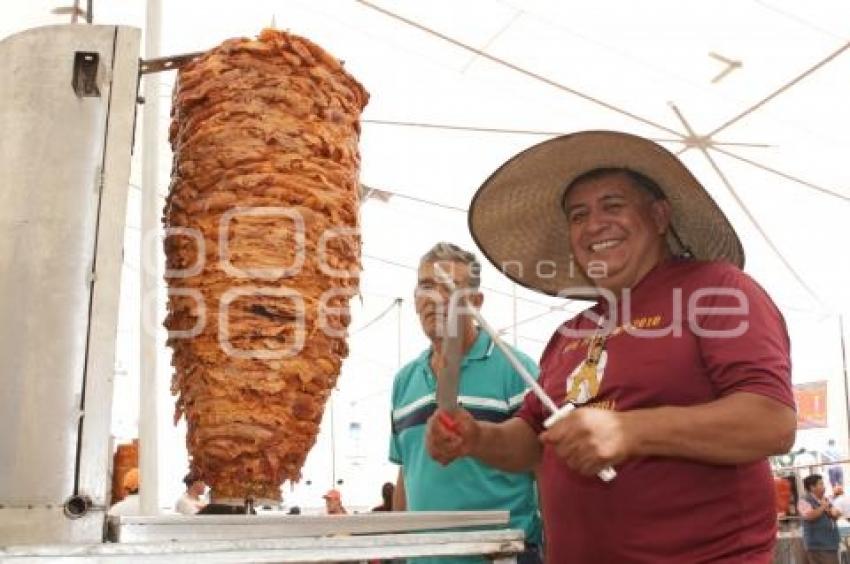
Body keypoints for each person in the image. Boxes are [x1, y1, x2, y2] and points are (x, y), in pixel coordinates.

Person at [427, 131, 796, 563]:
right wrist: (476, 437)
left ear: (659, 216)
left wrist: (629, 430)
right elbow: (532, 441)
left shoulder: (716, 289)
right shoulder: (571, 332)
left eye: (613, 206)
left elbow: (771, 422)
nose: (594, 225)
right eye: (578, 215)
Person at [389, 242, 542, 564]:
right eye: (425, 286)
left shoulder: (516, 370)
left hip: (500, 556)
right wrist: (398, 552)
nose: (434, 299)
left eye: (450, 288)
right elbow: (408, 471)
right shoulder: (405, 381)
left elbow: (545, 466)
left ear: (476, 302)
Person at [799, 474, 841, 563]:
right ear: (812, 487)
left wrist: (834, 513)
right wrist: (823, 507)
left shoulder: (824, 499)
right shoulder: (803, 500)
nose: (824, 486)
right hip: (818, 547)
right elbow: (809, 516)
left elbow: (834, 515)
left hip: (831, 544)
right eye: (821, 484)